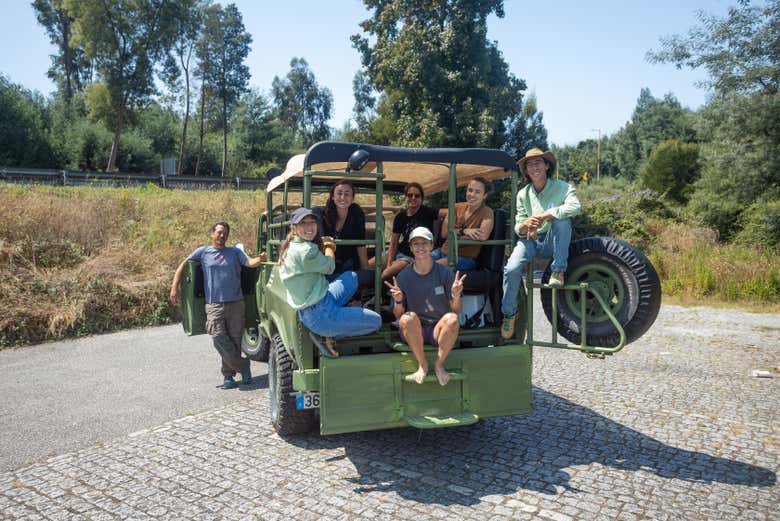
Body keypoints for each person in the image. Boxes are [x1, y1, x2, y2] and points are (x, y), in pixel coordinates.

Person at [170, 222, 266, 389]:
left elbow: (250, 263)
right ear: (212, 234)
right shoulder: (203, 252)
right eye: (219, 232)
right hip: (214, 304)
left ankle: (228, 376)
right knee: (218, 338)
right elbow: (182, 266)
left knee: (235, 340)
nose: (222, 236)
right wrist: (174, 287)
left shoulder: (235, 252)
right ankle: (243, 365)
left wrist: (261, 259)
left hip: (236, 303)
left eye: (225, 233)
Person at [500, 148, 581, 340]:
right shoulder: (522, 194)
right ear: (526, 170)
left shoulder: (563, 187)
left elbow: (575, 207)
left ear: (547, 165)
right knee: (511, 269)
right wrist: (526, 225)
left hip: (553, 240)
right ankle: (509, 315)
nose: (534, 167)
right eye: (529, 164)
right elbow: (518, 226)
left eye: (538, 163)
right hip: (530, 239)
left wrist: (546, 215)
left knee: (562, 221)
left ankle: (558, 270)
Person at [279, 207, 382, 357]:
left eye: (312, 222)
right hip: (321, 315)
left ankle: (334, 324)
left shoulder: (292, 245)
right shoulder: (306, 251)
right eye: (303, 223)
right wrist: (329, 246)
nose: (309, 227)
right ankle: (327, 334)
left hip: (321, 298)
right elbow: (330, 266)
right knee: (376, 321)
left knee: (351, 277)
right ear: (293, 228)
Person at [384, 227, 467, 386]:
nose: (420, 247)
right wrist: (399, 300)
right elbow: (397, 315)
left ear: (431, 246)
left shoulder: (444, 272)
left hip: (437, 329)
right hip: (415, 329)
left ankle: (439, 365)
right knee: (408, 318)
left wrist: (456, 296)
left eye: (424, 243)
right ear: (410, 248)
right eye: (416, 243)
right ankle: (422, 364)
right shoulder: (404, 276)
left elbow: (456, 309)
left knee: (452, 319)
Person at [431, 177, 494, 271]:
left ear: (484, 195)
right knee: (418, 263)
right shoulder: (456, 207)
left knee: (432, 268)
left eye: (477, 192)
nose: (472, 195)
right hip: (443, 251)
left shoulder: (487, 212)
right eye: (470, 190)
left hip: (465, 258)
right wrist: (464, 231)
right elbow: (444, 233)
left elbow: (482, 236)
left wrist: (454, 233)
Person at [379, 182, 440, 280]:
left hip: (410, 256)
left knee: (386, 274)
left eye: (417, 196)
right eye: (410, 195)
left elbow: (449, 212)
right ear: (405, 197)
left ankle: (380, 295)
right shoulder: (400, 216)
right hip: (400, 250)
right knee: (370, 265)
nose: (413, 198)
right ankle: (364, 292)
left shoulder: (428, 212)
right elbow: (394, 242)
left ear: (422, 199)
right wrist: (389, 263)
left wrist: (462, 229)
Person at [321, 179, 370, 277]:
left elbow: (360, 242)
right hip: (328, 261)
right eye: (339, 193)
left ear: (352, 198)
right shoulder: (324, 214)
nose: (343, 197)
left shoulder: (356, 213)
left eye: (347, 194)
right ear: (332, 197)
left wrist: (365, 269)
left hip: (349, 262)